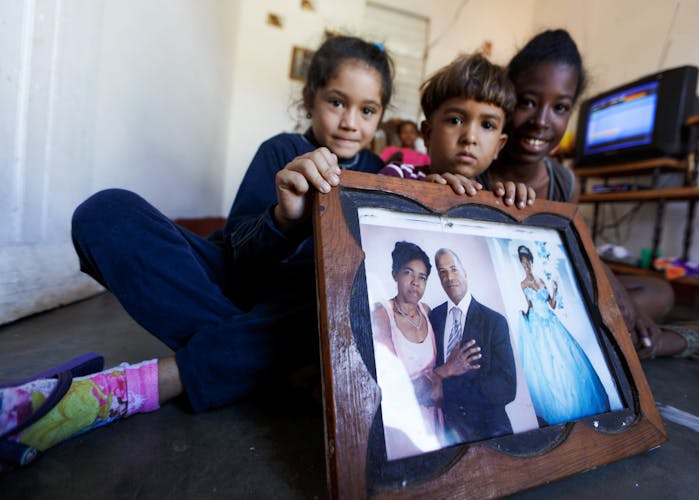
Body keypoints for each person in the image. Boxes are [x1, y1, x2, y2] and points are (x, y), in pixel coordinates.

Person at [0, 35, 393, 468]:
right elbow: (241, 254)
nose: (350, 122)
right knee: (105, 214)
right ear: (311, 97)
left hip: (304, 309)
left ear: (381, 117)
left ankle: (146, 384)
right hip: (240, 290)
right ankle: (271, 368)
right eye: (337, 102)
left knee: (322, 305)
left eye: (367, 110)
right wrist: (283, 220)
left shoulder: (382, 175)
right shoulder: (281, 151)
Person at [483, 29, 699, 360]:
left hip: (554, 291)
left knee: (657, 292)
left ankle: (636, 335)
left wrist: (620, 299)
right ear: (506, 97)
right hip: (501, 294)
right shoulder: (481, 165)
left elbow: (578, 254)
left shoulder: (564, 183)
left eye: (560, 107)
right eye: (528, 102)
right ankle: (654, 343)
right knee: (509, 321)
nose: (542, 121)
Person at [379, 52, 535, 208]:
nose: (470, 137)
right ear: (428, 134)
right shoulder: (398, 176)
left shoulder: (495, 198)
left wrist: (514, 204)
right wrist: (420, 194)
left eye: (487, 125)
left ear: (498, 147)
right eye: (455, 120)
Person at [370, 241, 479, 459]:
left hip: (437, 418)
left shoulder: (428, 312)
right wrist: (445, 371)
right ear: (394, 275)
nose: (415, 282)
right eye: (408, 273)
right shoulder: (382, 316)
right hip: (404, 425)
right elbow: (392, 393)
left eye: (422, 277)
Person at [428, 248, 516, 444]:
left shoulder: (494, 321)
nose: (449, 277)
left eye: (453, 269)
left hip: (489, 431)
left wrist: (448, 392)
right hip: (445, 434)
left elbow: (507, 387)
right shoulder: (434, 317)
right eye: (442, 272)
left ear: (465, 273)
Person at [516, 245, 609, 426]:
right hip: (537, 324)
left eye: (527, 261)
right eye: (522, 262)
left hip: (550, 321)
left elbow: (551, 304)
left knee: (565, 360)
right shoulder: (523, 284)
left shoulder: (541, 281)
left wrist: (555, 290)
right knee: (546, 365)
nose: (525, 265)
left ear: (532, 262)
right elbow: (529, 306)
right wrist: (523, 314)